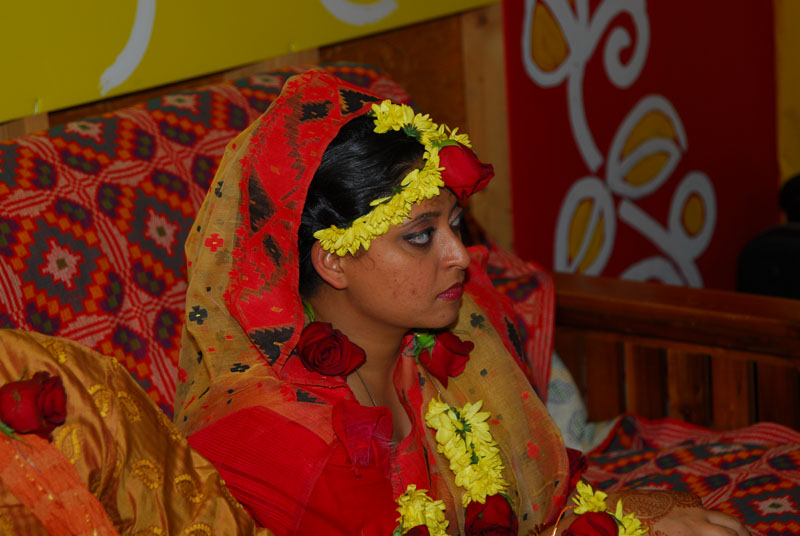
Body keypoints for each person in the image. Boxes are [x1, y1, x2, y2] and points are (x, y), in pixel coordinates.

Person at [173, 70, 750, 535]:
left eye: (455, 224)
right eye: (420, 236)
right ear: (333, 261)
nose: (459, 256)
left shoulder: (443, 349)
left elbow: (536, 510)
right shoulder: (277, 437)